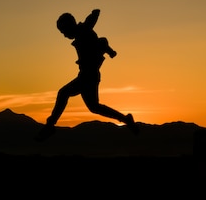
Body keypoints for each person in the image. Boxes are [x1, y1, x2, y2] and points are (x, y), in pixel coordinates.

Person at [35, 8, 139, 141]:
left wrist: (94, 14)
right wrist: (109, 51)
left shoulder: (83, 31)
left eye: (64, 32)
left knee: (63, 93)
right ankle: (126, 119)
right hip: (88, 75)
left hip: (88, 76)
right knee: (94, 107)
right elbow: (101, 42)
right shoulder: (82, 34)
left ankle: (49, 126)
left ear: (70, 26)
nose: (64, 36)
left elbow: (90, 26)